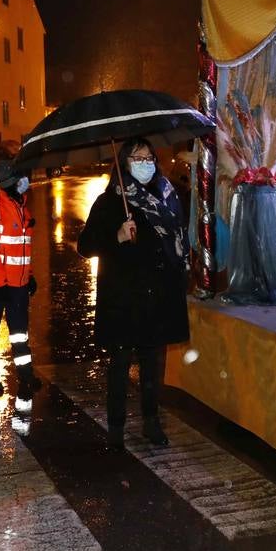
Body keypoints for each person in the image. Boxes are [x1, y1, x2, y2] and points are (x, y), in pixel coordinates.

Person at [77, 139, 189, 448]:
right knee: (120, 363)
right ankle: (116, 426)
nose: (145, 163)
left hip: (155, 295)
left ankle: (151, 422)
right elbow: (85, 246)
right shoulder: (110, 201)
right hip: (123, 298)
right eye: (137, 158)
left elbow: (176, 240)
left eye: (149, 157)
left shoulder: (165, 196)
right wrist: (116, 236)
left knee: (152, 364)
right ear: (124, 164)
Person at [0, 162, 38, 397]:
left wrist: (29, 276)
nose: (24, 183)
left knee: (20, 332)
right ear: (8, 184)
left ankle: (26, 375)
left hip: (18, 283)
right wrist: (1, 283)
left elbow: (23, 247)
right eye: (18, 180)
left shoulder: (21, 207)